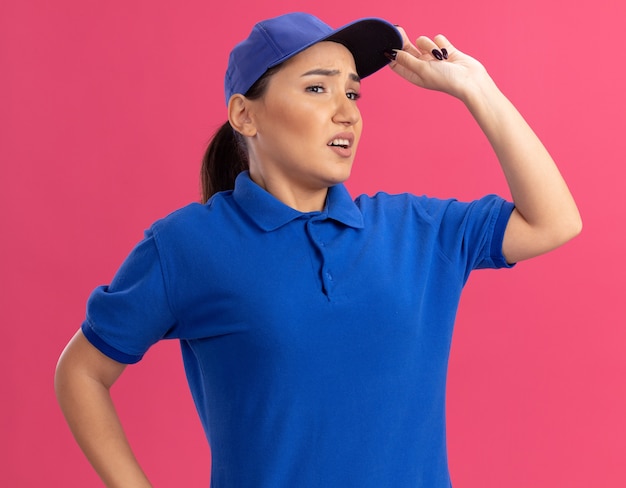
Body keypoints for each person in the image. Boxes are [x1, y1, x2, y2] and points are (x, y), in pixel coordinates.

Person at [54, 12, 581, 488]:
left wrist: (477, 88)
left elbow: (554, 221)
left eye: (352, 94)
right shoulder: (187, 246)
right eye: (317, 89)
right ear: (245, 115)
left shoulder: (416, 229)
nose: (346, 113)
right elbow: (81, 372)